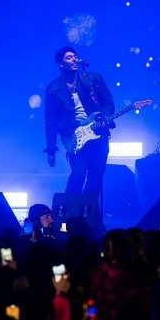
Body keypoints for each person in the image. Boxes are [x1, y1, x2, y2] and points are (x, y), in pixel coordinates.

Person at [44, 45, 115, 212]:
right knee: (78, 173)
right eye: (69, 57)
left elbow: (108, 101)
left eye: (75, 56)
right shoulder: (53, 89)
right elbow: (50, 120)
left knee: (96, 176)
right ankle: (67, 212)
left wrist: (104, 119)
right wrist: (51, 149)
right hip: (74, 137)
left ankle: (88, 214)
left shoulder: (92, 80)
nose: (74, 59)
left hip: (98, 135)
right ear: (61, 64)